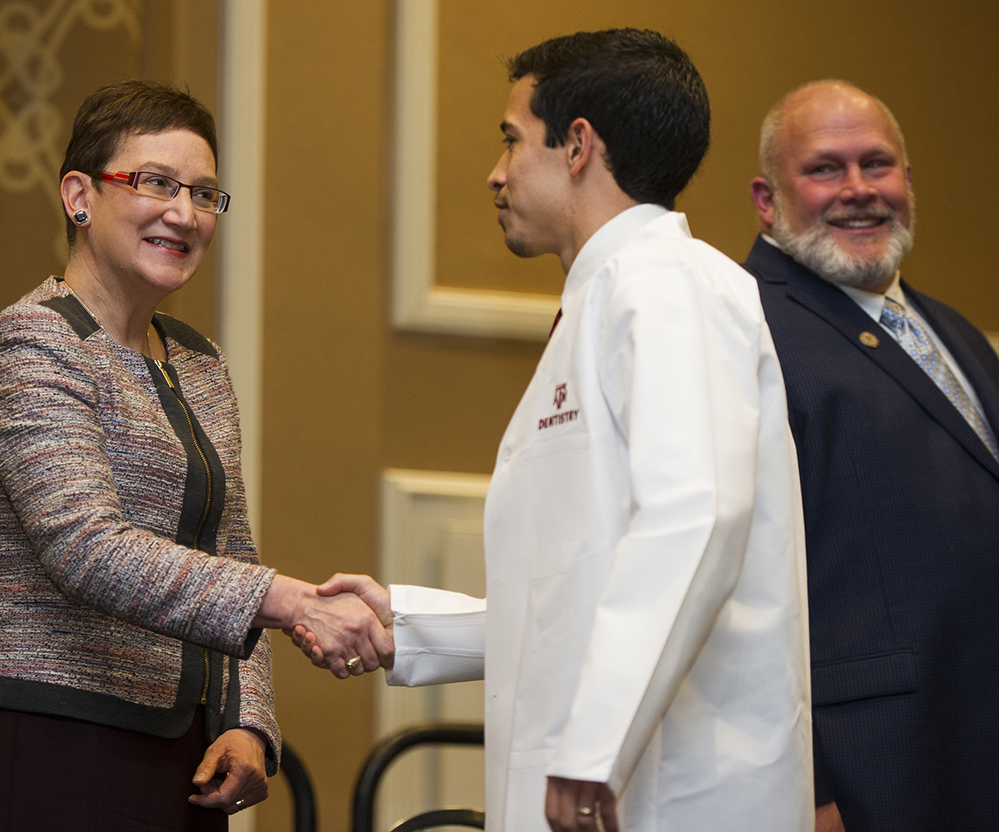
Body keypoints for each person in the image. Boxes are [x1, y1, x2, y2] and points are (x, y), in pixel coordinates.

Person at [297, 29, 813, 832]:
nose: (497, 172)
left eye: (511, 140)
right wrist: (408, 628)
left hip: (670, 793)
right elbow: (578, 591)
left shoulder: (671, 284)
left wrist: (593, 749)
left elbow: (697, 515)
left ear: (578, 146)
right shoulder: (603, 298)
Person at [0, 80, 392, 832]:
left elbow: (231, 554)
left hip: (182, 759)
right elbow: (86, 548)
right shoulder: (33, 343)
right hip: (46, 736)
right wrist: (294, 602)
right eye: (155, 183)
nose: (184, 214)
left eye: (206, 194)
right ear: (79, 196)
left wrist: (247, 723)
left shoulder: (198, 360)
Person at [744, 80, 999, 832]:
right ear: (766, 199)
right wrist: (808, 787)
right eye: (825, 169)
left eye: (877, 164)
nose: (859, 190)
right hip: (864, 780)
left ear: (909, 182)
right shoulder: (745, 325)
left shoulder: (956, 331)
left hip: (968, 754)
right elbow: (746, 586)